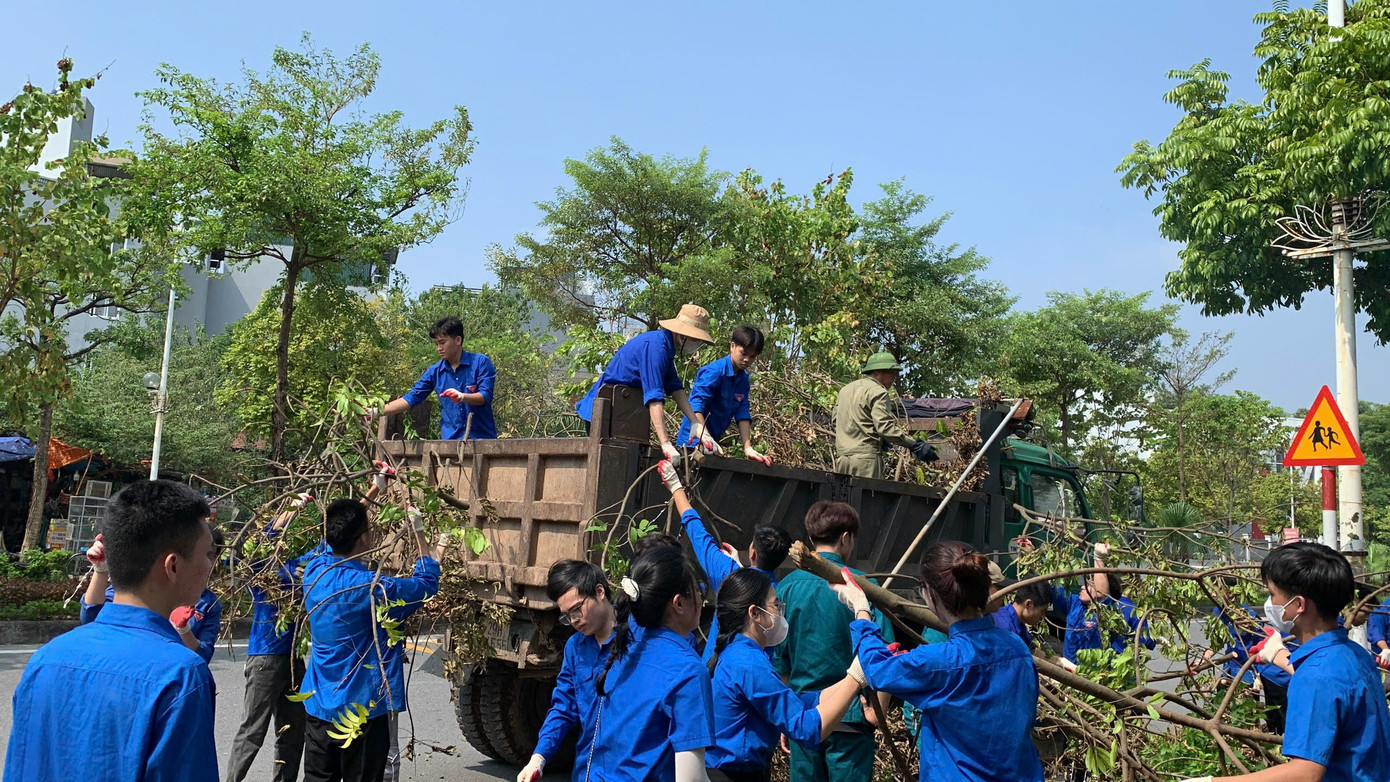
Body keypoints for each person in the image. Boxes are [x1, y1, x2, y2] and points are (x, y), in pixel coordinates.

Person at [5, 480, 219, 781]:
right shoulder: (181, 675)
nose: (211, 565)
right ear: (172, 566)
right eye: (208, 554)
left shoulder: (46, 659)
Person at [832, 540, 1045, 782]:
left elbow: (877, 670)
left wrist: (861, 609)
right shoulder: (1016, 647)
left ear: (931, 594)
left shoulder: (941, 661)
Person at [1180, 542, 1390, 782]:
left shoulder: (1316, 676)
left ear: (1299, 605)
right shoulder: (1353, 654)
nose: (1270, 604)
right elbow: (1332, 686)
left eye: (1272, 594)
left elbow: (1305, 773)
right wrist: (1279, 655)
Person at [299, 498, 444, 782]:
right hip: (363, 709)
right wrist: (418, 530)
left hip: (319, 705)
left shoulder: (314, 572)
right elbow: (426, 584)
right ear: (365, 537)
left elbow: (331, 540)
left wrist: (375, 487)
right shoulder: (372, 587)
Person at [772, 501, 894, 782]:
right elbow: (885, 654)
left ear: (812, 538)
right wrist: (877, 713)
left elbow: (781, 659)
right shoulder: (864, 588)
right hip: (850, 719)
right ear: (846, 538)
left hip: (805, 716)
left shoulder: (788, 587)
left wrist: (786, 715)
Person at [706, 567, 864, 782]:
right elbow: (806, 729)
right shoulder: (748, 663)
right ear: (754, 613)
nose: (781, 612)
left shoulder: (738, 654)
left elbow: (796, 702)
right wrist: (857, 676)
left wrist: (849, 680)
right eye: (776, 605)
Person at [583, 540, 715, 781]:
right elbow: (691, 778)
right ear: (679, 603)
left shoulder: (623, 653)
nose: (701, 598)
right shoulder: (688, 671)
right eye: (698, 590)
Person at [226, 492, 318, 782]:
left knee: (293, 730)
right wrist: (293, 507)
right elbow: (264, 538)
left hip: (292, 660)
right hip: (265, 658)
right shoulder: (260, 571)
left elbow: (333, 544)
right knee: (253, 729)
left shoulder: (298, 567)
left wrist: (371, 493)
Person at [673, 461, 791, 664]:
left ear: (752, 552)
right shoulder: (780, 596)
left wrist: (674, 484)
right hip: (754, 676)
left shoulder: (728, 573)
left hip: (715, 674)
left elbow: (698, 534)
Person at [517, 560, 620, 782]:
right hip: (588, 771)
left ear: (599, 591)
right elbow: (564, 706)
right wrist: (539, 758)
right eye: (567, 615)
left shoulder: (638, 641)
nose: (574, 620)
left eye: (577, 609)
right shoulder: (575, 647)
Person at [575, 304, 717, 458]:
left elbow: (676, 389)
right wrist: (665, 443)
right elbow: (654, 397)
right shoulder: (656, 348)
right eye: (695, 339)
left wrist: (695, 422)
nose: (696, 344)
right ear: (682, 335)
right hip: (603, 412)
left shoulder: (667, 349)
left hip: (625, 413)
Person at [81, 524, 225, 665]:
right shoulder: (142, 587)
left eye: (211, 555)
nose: (207, 563)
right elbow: (91, 616)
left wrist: (183, 630)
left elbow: (202, 657)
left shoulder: (209, 603)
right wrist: (101, 570)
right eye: (202, 554)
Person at [369, 315, 497, 440]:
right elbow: (411, 398)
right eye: (436, 344)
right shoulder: (434, 372)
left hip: (483, 440)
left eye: (442, 342)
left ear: (458, 340)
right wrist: (374, 412)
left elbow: (485, 396)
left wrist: (462, 397)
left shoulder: (480, 362)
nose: (439, 348)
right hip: (450, 443)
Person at [675, 325, 773, 465]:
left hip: (713, 445)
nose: (747, 360)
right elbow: (696, 405)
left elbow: (742, 412)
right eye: (743, 353)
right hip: (691, 445)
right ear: (732, 346)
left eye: (752, 357)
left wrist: (748, 448)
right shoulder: (713, 372)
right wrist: (705, 437)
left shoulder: (744, 379)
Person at [832, 352, 937, 479]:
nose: (894, 378)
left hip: (842, 459)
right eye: (892, 373)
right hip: (866, 461)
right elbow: (885, 428)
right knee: (866, 498)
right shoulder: (878, 392)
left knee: (842, 498)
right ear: (878, 372)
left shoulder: (845, 390)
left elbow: (836, 421)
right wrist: (914, 445)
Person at [1046, 543, 1112, 671]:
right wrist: (1031, 556)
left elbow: (1101, 594)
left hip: (1092, 675)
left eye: (1089, 585)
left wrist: (1099, 559)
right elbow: (1051, 588)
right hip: (1070, 671)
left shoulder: (1105, 610)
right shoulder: (1075, 603)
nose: (1082, 587)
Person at [991, 581, 1054, 651]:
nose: (1042, 617)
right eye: (1042, 611)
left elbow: (1033, 651)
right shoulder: (1005, 629)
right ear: (1028, 604)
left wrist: (1060, 661)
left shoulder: (1019, 624)